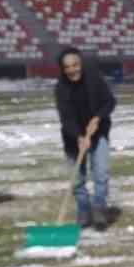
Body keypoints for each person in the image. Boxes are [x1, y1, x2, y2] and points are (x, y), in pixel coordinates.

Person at [53, 46, 120, 231]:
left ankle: (99, 210)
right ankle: (83, 211)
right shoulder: (61, 88)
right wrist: (79, 136)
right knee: (77, 180)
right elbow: (66, 118)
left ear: (81, 64)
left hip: (98, 133)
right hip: (72, 137)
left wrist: (98, 118)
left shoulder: (94, 79)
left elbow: (110, 102)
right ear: (63, 69)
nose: (72, 70)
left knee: (101, 174)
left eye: (75, 65)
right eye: (67, 67)